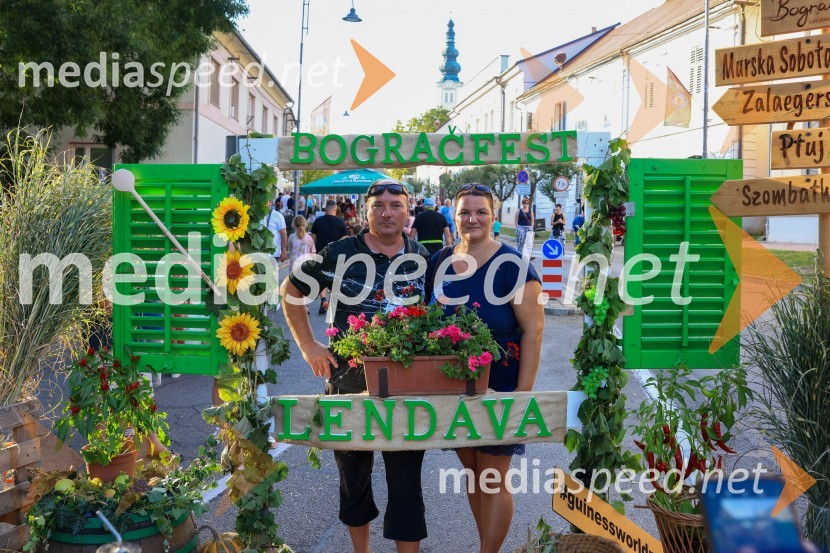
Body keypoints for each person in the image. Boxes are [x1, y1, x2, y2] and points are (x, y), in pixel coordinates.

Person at [282, 179, 430, 553]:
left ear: (407, 211)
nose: (387, 212)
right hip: (347, 383)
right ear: (366, 211)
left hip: (407, 387)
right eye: (378, 204)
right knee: (353, 479)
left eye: (396, 204)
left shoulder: (425, 257)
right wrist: (308, 346)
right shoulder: (339, 252)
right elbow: (292, 291)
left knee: (406, 483)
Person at [425, 183, 544, 553]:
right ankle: (485, 545)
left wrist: (521, 397)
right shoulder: (439, 260)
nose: (472, 219)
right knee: (474, 474)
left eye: (480, 212)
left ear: (494, 217)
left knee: (492, 478)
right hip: (452, 387)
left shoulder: (514, 266)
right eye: (464, 212)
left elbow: (534, 331)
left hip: (501, 385)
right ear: (454, 215)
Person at [310, 200, 349, 314]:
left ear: (325, 209)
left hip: (321, 254)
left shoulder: (318, 221)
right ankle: (333, 302)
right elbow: (345, 239)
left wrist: (314, 252)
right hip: (336, 255)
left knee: (321, 277)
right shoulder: (340, 222)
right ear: (335, 209)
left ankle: (323, 300)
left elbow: (313, 238)